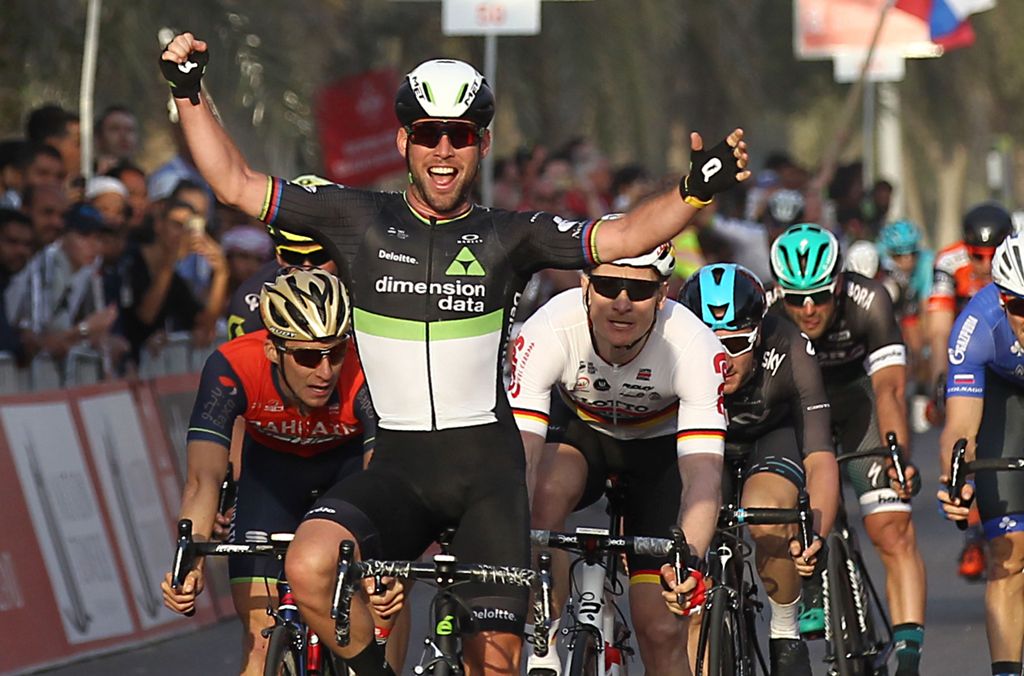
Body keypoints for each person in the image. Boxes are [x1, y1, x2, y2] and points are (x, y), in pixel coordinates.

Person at [160, 33, 749, 675]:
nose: (443, 150)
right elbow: (235, 184)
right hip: (399, 468)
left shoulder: (510, 235)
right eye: (428, 133)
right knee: (307, 563)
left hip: (488, 479)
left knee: (492, 663)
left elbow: (625, 235)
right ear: (403, 141)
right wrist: (189, 92)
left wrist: (694, 189)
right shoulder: (354, 217)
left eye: (460, 135)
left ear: (482, 143)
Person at [160, 268, 393, 676]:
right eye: (306, 356)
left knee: (378, 610)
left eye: (335, 352)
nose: (325, 371)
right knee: (259, 639)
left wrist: (381, 564)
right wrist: (190, 560)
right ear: (273, 351)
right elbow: (204, 479)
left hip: (351, 476)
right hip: (271, 481)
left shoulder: (367, 368)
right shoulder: (232, 367)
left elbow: (383, 477)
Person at [509, 245, 724, 676]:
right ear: (585, 285)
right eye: (607, 286)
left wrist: (690, 560)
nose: (622, 303)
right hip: (581, 434)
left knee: (661, 629)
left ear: (663, 295)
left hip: (658, 453)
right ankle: (542, 644)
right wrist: (504, 540)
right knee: (544, 497)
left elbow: (703, 476)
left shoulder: (693, 344)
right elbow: (522, 459)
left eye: (640, 291)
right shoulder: (548, 328)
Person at [768, 223, 926, 676]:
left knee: (891, 527)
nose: (809, 308)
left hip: (859, 401)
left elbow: (891, 390)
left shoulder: (869, 299)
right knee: (796, 507)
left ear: (839, 282)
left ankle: (909, 654)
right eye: (796, 299)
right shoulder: (766, 307)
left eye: (819, 294)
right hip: (798, 407)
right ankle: (815, 588)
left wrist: (897, 455)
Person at [679, 263, 839, 675]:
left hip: (768, 436)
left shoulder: (789, 345)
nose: (722, 360)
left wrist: (813, 535)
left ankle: (785, 629)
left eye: (735, 343)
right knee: (691, 575)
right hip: (698, 445)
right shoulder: (667, 350)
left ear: (760, 334)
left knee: (768, 516)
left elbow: (820, 456)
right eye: (708, 344)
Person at [936, 233, 1024, 676]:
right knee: (1008, 554)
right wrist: (957, 478)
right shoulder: (978, 324)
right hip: (1005, 398)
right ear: (1002, 299)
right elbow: (961, 427)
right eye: (1021, 307)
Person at [926, 202, 1013, 580]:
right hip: (973, 353)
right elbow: (939, 326)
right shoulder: (949, 262)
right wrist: (939, 382)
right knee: (970, 437)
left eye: (993, 253)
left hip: (1011, 349)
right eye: (977, 255)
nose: (985, 262)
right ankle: (976, 527)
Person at [225, 176, 339, 340]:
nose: (306, 268)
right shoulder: (248, 307)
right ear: (278, 256)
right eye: (293, 256)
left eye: (319, 256)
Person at [118, 197, 227, 363]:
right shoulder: (130, 260)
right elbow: (145, 316)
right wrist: (170, 261)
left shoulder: (174, 279)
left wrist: (221, 273)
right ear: (159, 225)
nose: (183, 234)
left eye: (188, 228)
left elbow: (204, 325)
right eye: (177, 225)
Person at [877, 219, 934, 434]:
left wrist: (925, 345)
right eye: (899, 255)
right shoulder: (878, 260)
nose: (907, 260)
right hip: (886, 307)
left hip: (910, 305)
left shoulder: (927, 262)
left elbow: (925, 304)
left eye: (912, 253)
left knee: (920, 345)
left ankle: (919, 393)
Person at [94, 105, 139, 174]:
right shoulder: (88, 175)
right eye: (115, 129)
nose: (124, 136)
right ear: (99, 137)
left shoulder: (144, 180)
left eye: (129, 130)